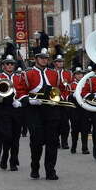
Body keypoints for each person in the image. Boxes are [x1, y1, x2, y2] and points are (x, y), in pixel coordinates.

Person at [14, 48, 66, 180]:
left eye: (46, 58)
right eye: (41, 57)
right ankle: (35, 167)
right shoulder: (27, 74)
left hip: (51, 110)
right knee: (36, 142)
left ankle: (50, 171)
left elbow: (62, 90)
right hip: (35, 111)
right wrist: (29, 100)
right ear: (36, 59)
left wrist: (59, 99)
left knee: (52, 142)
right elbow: (20, 92)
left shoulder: (54, 74)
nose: (44, 60)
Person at [0, 56, 22, 171]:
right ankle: (5, 156)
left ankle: (13, 161)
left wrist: (20, 101)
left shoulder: (19, 77)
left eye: (12, 64)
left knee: (16, 137)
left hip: (16, 110)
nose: (10, 66)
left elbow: (23, 91)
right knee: (7, 136)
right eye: (7, 64)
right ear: (3, 66)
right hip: (4, 109)